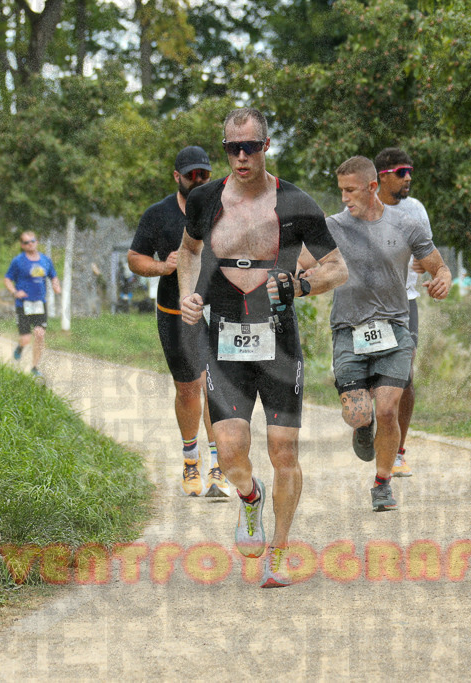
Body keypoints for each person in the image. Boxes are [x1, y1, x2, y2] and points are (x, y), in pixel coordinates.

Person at [176, 107, 348, 587]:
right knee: (230, 451)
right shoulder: (206, 199)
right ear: (225, 149)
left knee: (284, 452)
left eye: (250, 146)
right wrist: (190, 294)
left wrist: (301, 286)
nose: (242, 156)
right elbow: (189, 251)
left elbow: (338, 267)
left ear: (266, 146)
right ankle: (250, 499)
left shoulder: (295, 204)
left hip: (278, 341)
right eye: (233, 148)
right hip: (224, 336)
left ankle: (279, 554)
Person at [327, 155, 451, 512]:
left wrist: (442, 278)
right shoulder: (333, 226)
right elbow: (304, 260)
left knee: (387, 410)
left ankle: (382, 483)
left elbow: (437, 265)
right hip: (349, 329)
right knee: (359, 414)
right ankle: (361, 427)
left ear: (371, 187)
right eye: (341, 191)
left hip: (395, 328)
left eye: (350, 190)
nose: (345, 197)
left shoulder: (407, 225)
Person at [128, 146, 231, 498]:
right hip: (176, 313)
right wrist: (162, 267)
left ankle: (219, 467)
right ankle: (191, 461)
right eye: (192, 175)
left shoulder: (226, 208)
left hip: (219, 311)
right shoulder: (158, 214)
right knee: (189, 389)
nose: (199, 180)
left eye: (204, 173)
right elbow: (134, 258)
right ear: (177, 177)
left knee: (216, 384)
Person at [374, 147, 432, 478]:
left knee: (405, 376)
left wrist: (426, 266)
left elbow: (427, 256)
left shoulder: (416, 210)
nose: (408, 177)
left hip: (405, 301)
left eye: (410, 170)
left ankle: (398, 451)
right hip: (370, 303)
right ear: (382, 177)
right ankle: (369, 424)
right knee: (372, 374)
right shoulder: (364, 208)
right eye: (401, 171)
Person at [4, 231, 61, 378]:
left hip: (39, 303)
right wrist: (15, 292)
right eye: (26, 242)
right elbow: (7, 279)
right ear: (22, 245)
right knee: (26, 339)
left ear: (37, 242)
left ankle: (34, 367)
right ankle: (20, 347)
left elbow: (53, 276)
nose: (30, 244)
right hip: (23, 304)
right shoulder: (18, 261)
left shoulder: (45, 260)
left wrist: (56, 286)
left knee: (40, 334)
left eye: (32, 241)